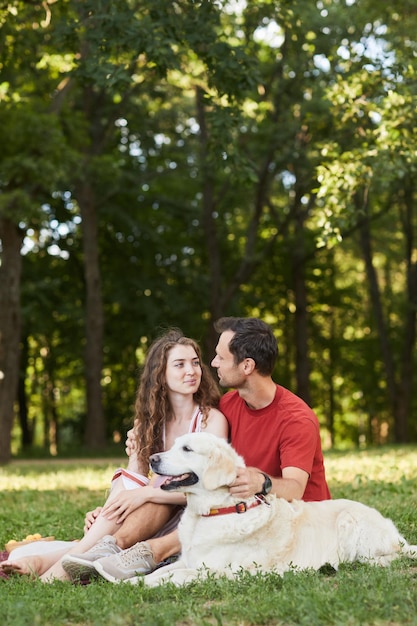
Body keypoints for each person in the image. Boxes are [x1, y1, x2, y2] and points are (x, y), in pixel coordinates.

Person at [75, 316, 331, 583]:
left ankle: (152, 551)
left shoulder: (296, 418)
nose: (213, 363)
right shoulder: (229, 405)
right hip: (243, 508)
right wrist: (117, 508)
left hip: (292, 521)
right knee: (178, 498)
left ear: (247, 366)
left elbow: (295, 489)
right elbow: (191, 455)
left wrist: (261, 481)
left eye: (220, 357)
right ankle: (111, 545)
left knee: (202, 513)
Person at [0, 329, 228, 582]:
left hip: (190, 514)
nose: (191, 371)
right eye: (180, 364)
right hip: (149, 513)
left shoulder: (211, 421)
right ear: (161, 375)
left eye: (195, 363)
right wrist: (107, 510)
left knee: (148, 502)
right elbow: (133, 480)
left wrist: (147, 493)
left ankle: (52, 569)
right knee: (116, 521)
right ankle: (51, 560)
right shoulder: (149, 422)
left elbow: (210, 488)